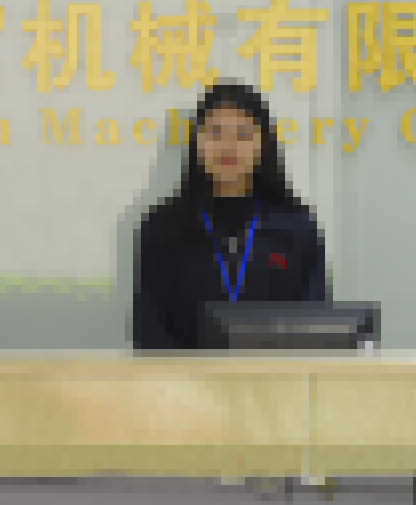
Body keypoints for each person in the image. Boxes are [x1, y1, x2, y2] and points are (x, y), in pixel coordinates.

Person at [132, 78, 332, 347]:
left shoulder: (297, 229)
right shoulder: (161, 229)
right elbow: (149, 333)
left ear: (263, 145)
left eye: (243, 135)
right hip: (184, 374)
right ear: (196, 143)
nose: (228, 146)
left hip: (277, 374)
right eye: (215, 133)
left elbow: (315, 331)